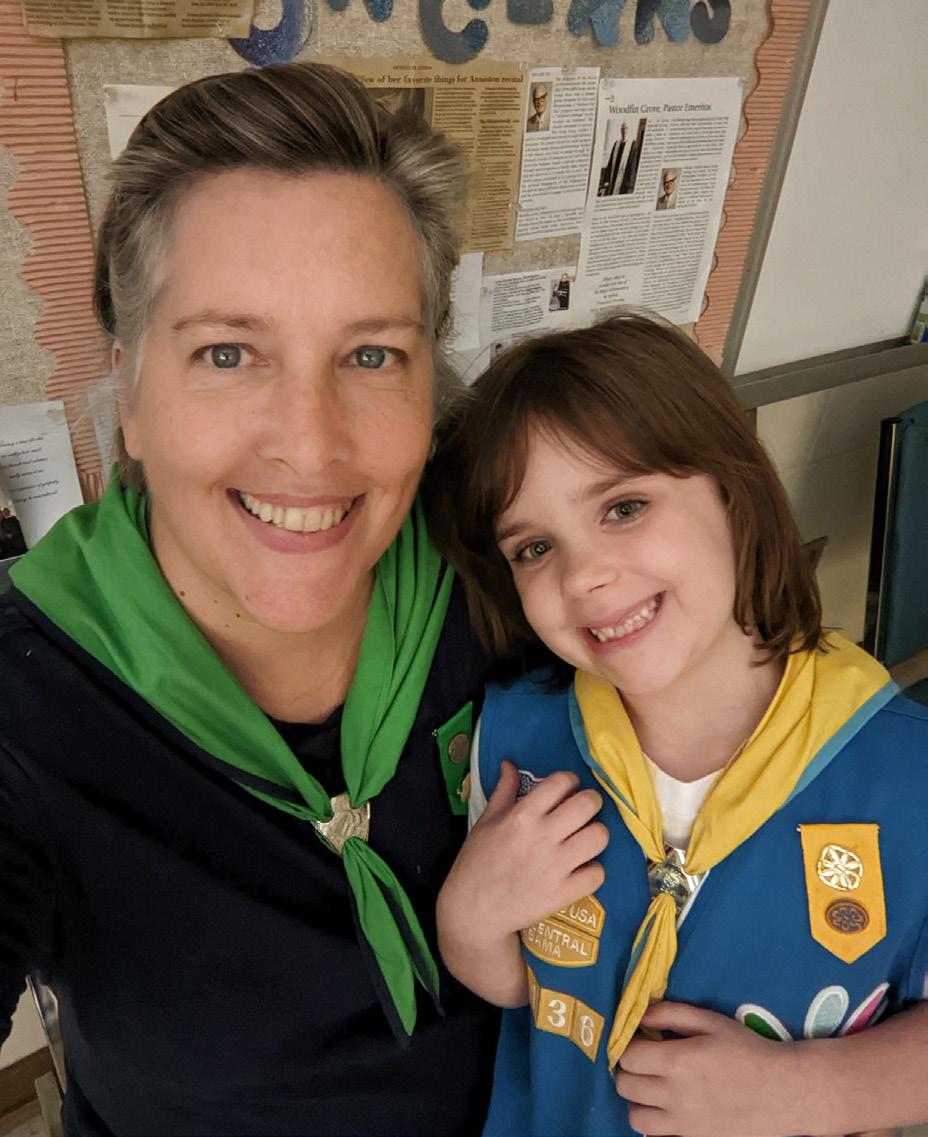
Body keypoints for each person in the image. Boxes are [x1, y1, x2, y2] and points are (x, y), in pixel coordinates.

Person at [0, 62, 500, 1136]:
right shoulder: (27, 706)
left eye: (371, 354)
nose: (310, 446)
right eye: (228, 353)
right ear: (130, 392)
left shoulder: (505, 571)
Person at [428, 314, 928, 1137]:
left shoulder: (906, 776)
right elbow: (524, 987)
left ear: (732, 490)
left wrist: (812, 1091)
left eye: (624, 506)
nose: (585, 575)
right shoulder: (519, 744)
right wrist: (467, 923)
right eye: (534, 548)